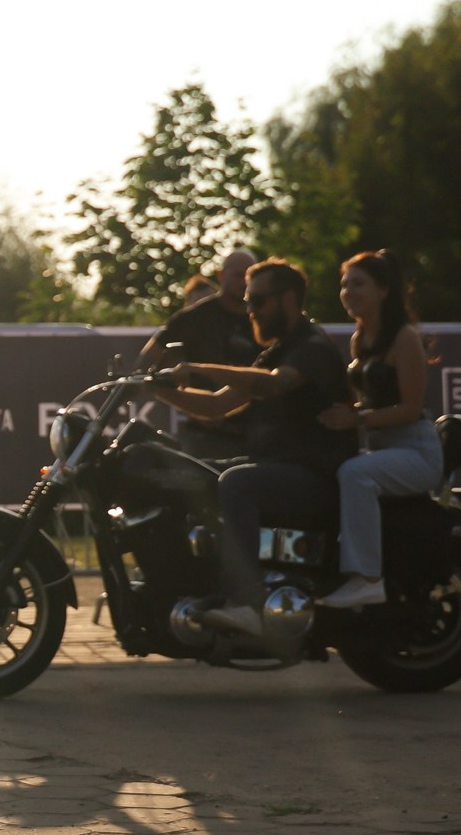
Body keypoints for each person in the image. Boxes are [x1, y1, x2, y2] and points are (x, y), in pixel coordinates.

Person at [152, 257, 356, 636]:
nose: (250, 311)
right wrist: (157, 389)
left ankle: (245, 601)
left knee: (237, 483)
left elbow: (274, 384)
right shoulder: (277, 351)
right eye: (248, 302)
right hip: (279, 468)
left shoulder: (311, 346)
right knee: (199, 474)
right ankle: (202, 587)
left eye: (258, 301)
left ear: (288, 299)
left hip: (315, 476)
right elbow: (215, 408)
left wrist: (199, 368)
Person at [316, 250, 441, 608]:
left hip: (416, 452)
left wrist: (356, 419)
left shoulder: (404, 338)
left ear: (384, 290)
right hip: (381, 449)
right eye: (344, 285)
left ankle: (367, 579)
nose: (348, 292)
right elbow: (363, 406)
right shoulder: (360, 340)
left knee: (355, 474)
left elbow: (411, 409)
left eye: (358, 284)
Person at [138, 249, 258, 461]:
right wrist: (185, 395)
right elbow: (148, 361)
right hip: (203, 433)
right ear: (221, 275)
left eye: (249, 276)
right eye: (238, 275)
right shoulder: (194, 318)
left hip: (255, 431)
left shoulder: (263, 318)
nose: (244, 283)